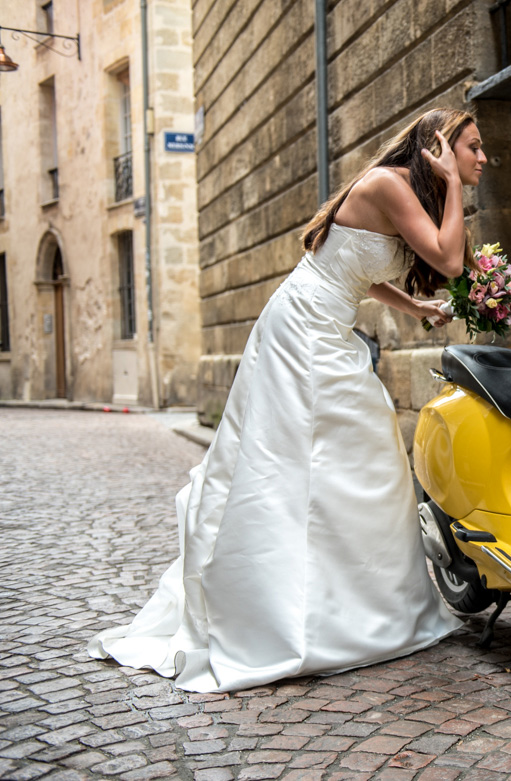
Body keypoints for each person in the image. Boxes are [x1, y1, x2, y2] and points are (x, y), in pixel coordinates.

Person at [88, 108, 487, 693]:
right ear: (440, 147)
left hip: (331, 328)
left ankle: (360, 608)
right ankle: (286, 615)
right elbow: (449, 260)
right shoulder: (389, 185)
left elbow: (358, 271)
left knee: (365, 454)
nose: (481, 159)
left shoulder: (402, 196)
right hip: (300, 328)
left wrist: (416, 307)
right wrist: (452, 184)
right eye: (472, 148)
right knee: (293, 464)